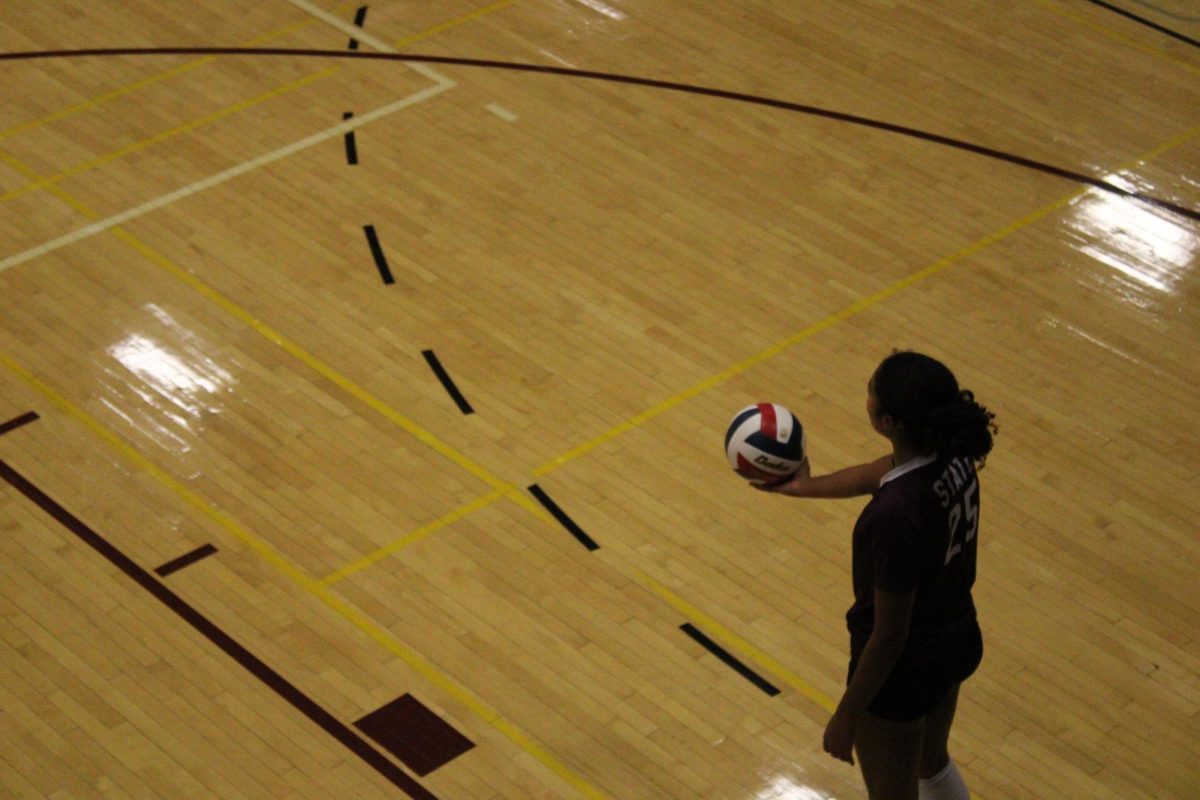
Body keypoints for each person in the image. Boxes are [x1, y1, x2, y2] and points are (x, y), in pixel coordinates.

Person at [758, 350, 997, 800]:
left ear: (888, 422)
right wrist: (806, 487)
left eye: (871, 390)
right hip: (955, 636)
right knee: (932, 762)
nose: (865, 394)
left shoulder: (894, 518)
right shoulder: (952, 453)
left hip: (903, 672)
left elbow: (890, 633)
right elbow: (880, 474)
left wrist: (847, 715)